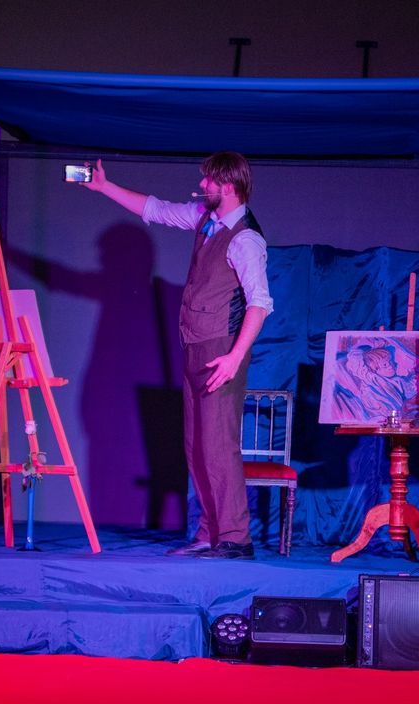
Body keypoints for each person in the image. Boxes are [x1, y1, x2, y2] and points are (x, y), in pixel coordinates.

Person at [83, 152, 273, 559]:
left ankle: (236, 538)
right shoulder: (206, 219)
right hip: (195, 346)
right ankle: (210, 532)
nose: (201, 186)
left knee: (218, 446)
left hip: (221, 350)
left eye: (208, 181)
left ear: (228, 186)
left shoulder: (245, 239)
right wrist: (104, 187)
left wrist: (234, 358)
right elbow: (156, 209)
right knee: (196, 447)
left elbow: (259, 304)